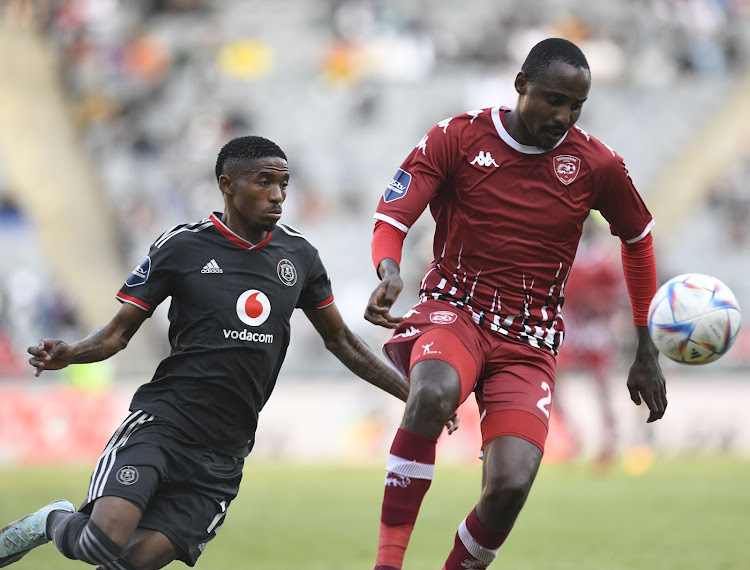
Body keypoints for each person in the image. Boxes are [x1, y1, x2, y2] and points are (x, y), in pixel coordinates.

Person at [0, 135, 416, 570]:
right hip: (164, 423)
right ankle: (51, 521)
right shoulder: (182, 246)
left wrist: (412, 394)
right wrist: (71, 352)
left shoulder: (300, 256)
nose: (278, 195)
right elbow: (117, 335)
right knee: (102, 544)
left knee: (131, 563)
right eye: (264, 181)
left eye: (284, 184)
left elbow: (342, 341)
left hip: (224, 452)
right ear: (227, 185)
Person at [364, 37, 668, 570]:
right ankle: (388, 563)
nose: (564, 116)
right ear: (520, 85)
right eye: (553, 100)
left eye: (576, 106)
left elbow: (638, 240)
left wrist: (646, 347)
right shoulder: (456, 137)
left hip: (529, 339)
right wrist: (388, 268)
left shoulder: (596, 164)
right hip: (455, 308)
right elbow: (392, 218)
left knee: (510, 485)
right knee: (432, 391)